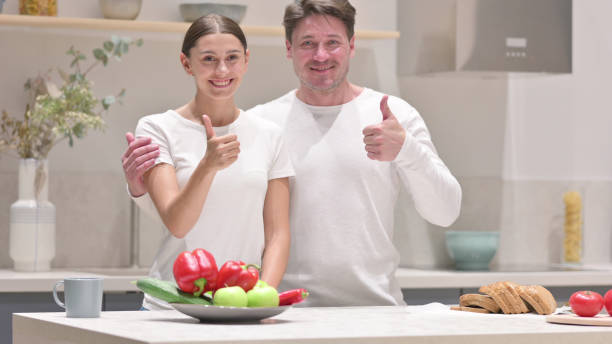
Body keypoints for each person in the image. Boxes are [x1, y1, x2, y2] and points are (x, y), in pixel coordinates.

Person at [123, 0, 461, 307]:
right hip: (286, 312)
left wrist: (407, 151)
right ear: (288, 49)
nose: (321, 55)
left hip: (376, 307)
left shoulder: (392, 116)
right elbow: (209, 213)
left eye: (333, 43)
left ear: (352, 46)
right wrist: (141, 190)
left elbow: (446, 212)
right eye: (308, 44)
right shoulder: (263, 123)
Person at [126, 14, 294, 310]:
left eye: (232, 57)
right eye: (208, 59)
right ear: (186, 63)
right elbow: (178, 224)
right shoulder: (157, 129)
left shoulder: (269, 135)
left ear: (246, 60)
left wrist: (263, 297)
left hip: (242, 306)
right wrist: (207, 166)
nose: (222, 69)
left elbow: (277, 233)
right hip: (171, 309)